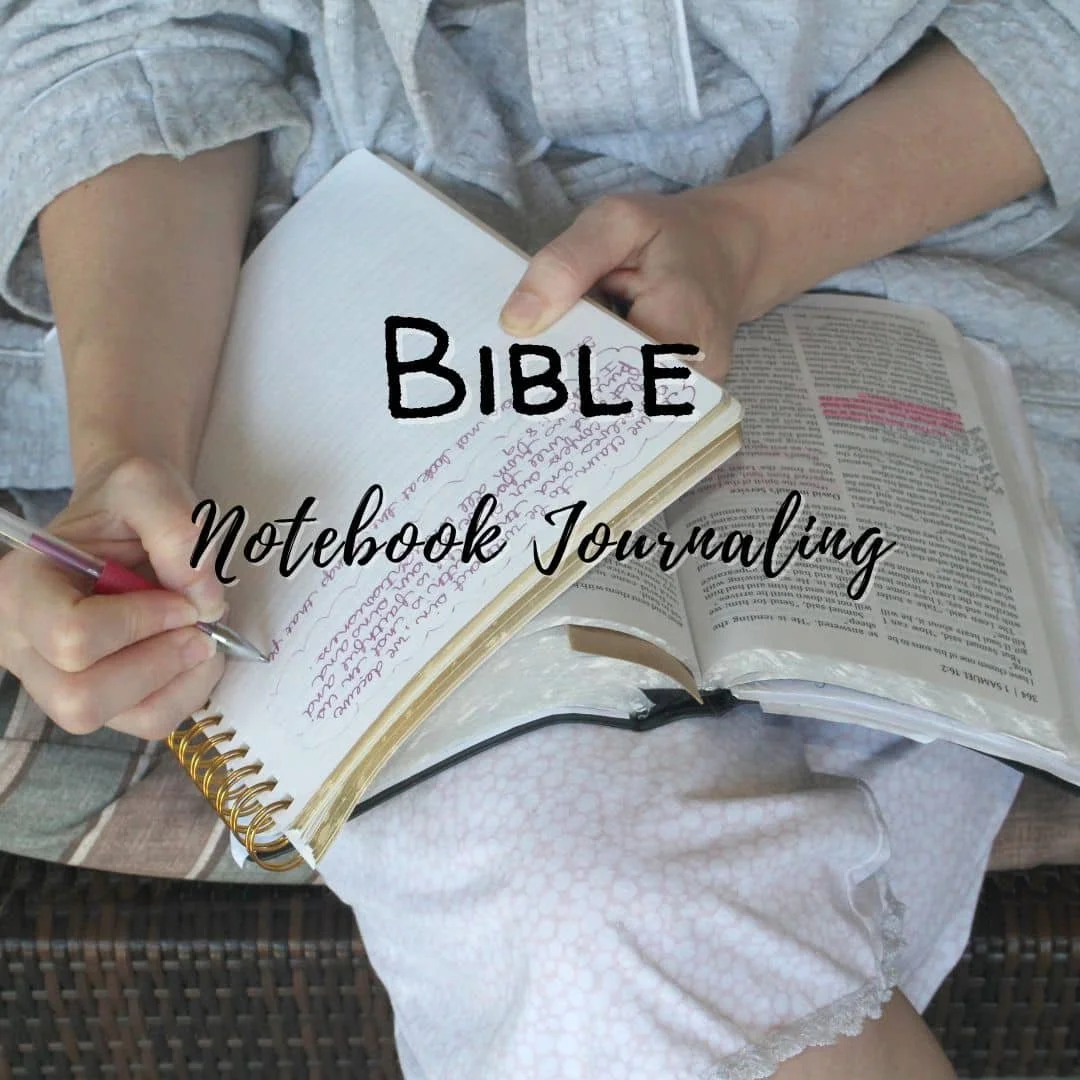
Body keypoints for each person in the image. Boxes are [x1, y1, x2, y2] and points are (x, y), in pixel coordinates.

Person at [0, 2, 1078, 1076]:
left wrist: (750, 236)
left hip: (904, 286)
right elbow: (134, 38)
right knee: (587, 905)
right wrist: (128, 453)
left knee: (585, 912)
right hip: (360, 364)